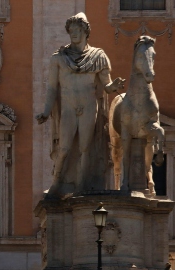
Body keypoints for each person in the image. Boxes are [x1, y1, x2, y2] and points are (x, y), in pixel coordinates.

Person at [35, 12, 125, 196]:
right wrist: (45, 111)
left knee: (86, 147)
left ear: (86, 31)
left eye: (77, 29)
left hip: (89, 106)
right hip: (68, 107)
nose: (74, 33)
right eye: (71, 30)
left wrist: (113, 86)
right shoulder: (58, 58)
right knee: (64, 147)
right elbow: (52, 88)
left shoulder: (98, 57)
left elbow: (106, 85)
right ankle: (57, 181)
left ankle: (83, 186)